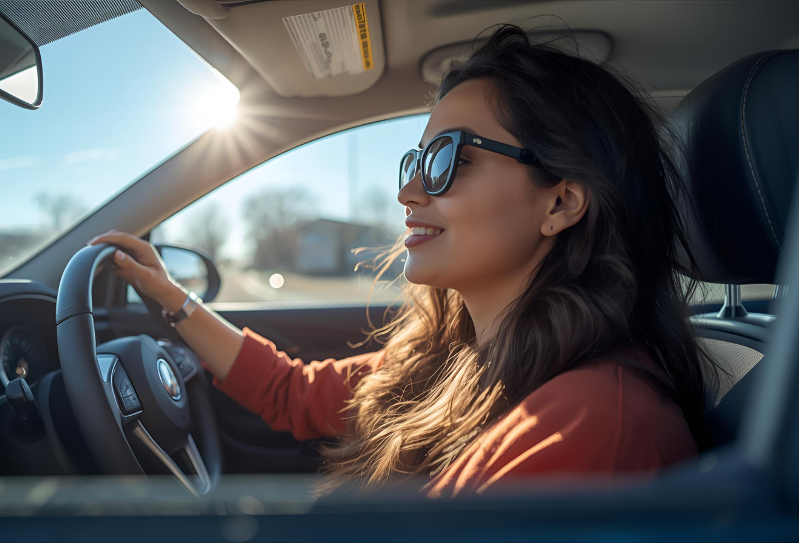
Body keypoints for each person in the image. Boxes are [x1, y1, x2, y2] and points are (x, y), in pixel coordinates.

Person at [90, 25, 716, 498]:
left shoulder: (592, 428)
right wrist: (171, 299)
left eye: (447, 158)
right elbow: (291, 392)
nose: (408, 192)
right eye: (415, 162)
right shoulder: (452, 353)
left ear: (560, 202)